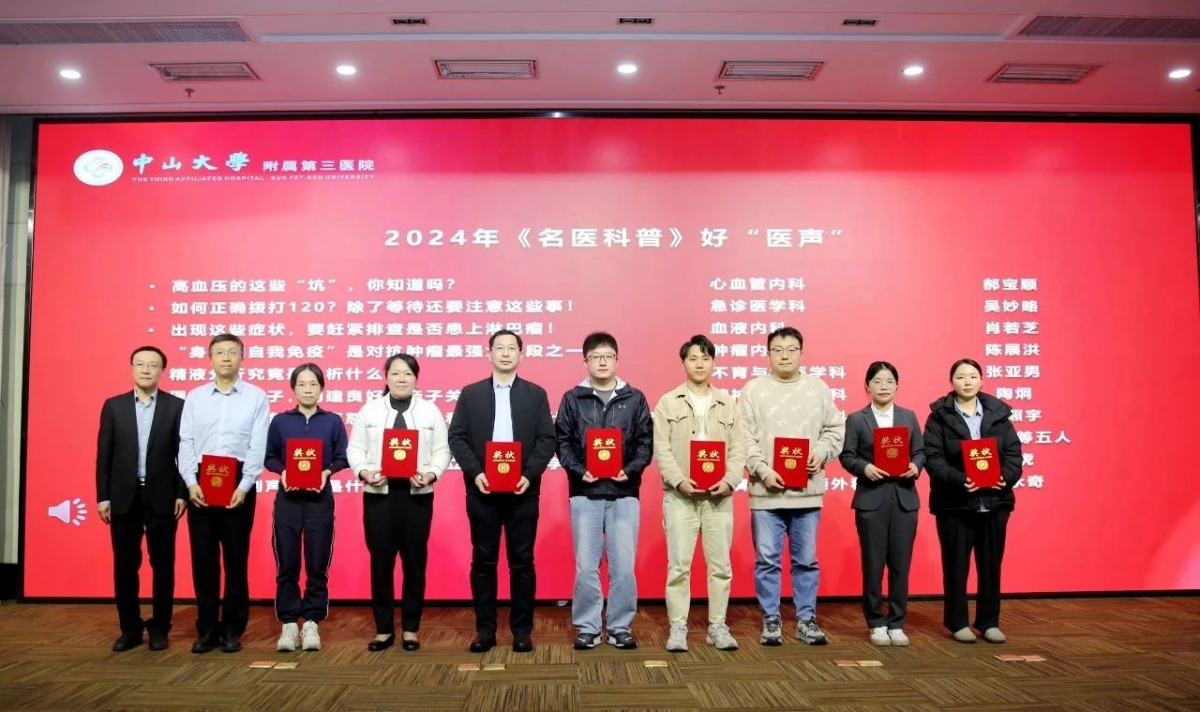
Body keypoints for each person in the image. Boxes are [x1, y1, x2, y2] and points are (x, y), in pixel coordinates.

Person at [448, 330, 556, 654]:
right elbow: (457, 437)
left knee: (522, 563)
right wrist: (477, 472)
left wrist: (528, 475)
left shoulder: (536, 394)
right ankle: (485, 631)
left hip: (523, 491)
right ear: (489, 354)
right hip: (482, 491)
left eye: (512, 348)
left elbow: (547, 439)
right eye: (500, 348)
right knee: (483, 562)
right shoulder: (471, 394)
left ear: (521, 355)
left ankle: (522, 631)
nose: (506, 353)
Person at [739, 326, 845, 646]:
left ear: (801, 352)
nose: (784, 356)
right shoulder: (753, 390)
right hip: (766, 493)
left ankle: (806, 619)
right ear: (768, 354)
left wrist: (821, 452)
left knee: (806, 561)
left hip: (807, 493)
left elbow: (835, 429)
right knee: (767, 561)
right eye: (777, 350)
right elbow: (744, 438)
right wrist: (762, 470)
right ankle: (771, 619)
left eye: (791, 350)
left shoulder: (818, 388)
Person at [555, 331, 653, 650]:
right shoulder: (573, 398)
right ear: (585, 361)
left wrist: (631, 469)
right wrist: (578, 470)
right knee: (586, 565)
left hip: (624, 492)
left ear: (617, 360)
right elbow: (563, 441)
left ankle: (620, 626)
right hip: (585, 492)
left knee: (623, 566)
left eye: (608, 356)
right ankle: (588, 627)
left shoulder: (634, 398)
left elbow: (645, 441)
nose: (602, 362)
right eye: (595, 356)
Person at [347, 354, 450, 652]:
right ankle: (383, 629)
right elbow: (355, 449)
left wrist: (431, 474)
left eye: (407, 374)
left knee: (415, 563)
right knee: (381, 563)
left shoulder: (430, 411)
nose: (401, 378)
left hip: (417, 497)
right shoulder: (370, 410)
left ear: (416, 378)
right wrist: (364, 472)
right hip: (379, 497)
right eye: (395, 373)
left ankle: (410, 629)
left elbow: (442, 451)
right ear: (386, 377)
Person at [178, 333, 270, 654]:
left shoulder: (256, 397)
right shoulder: (195, 397)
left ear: (242, 357)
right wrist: (190, 482)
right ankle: (206, 629)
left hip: (238, 483)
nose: (226, 357)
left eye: (232, 352)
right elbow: (186, 441)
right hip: (201, 482)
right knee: (203, 560)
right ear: (210, 359)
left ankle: (233, 628)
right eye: (220, 353)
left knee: (235, 560)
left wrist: (245, 485)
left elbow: (258, 444)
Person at [652, 335, 743, 653]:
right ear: (683, 363)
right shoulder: (668, 402)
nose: (699, 364)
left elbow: (739, 448)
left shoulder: (729, 403)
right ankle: (678, 627)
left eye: (705, 358)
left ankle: (717, 625)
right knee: (679, 565)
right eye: (693, 358)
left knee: (720, 566)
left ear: (714, 362)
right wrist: (679, 481)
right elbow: (661, 449)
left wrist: (730, 481)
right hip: (680, 498)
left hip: (719, 498)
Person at [924, 358, 1023, 644]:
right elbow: (933, 458)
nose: (967, 382)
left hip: (995, 502)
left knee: (991, 565)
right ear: (951, 381)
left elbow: (1014, 454)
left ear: (981, 380)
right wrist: (959, 479)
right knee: (956, 566)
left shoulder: (999, 414)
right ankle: (957, 623)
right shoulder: (939, 416)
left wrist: (1005, 477)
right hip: (955, 503)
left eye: (972, 376)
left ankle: (989, 622)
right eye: (960, 377)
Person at [96, 346, 186, 651]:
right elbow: (104, 455)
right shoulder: (114, 406)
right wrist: (103, 497)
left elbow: (184, 454)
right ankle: (130, 628)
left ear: (162, 371)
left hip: (163, 495)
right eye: (140, 364)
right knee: (124, 565)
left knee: (163, 565)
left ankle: (160, 627)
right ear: (131, 368)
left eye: (153, 365)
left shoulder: (177, 407)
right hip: (123, 496)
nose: (146, 369)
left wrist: (182, 493)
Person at [263, 363, 348, 653]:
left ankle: (311, 622)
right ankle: (289, 623)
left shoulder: (332, 421)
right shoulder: (281, 421)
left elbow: (342, 456)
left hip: (319, 502)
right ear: (293, 388)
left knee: (317, 564)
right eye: (302, 384)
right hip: (288, 502)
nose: (308, 389)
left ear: (321, 387)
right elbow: (269, 457)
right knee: (286, 564)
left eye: (313, 384)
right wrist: (283, 472)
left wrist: (326, 472)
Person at [838, 361, 925, 646]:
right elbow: (847, 455)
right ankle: (876, 622)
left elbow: (920, 451)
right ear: (867, 386)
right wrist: (864, 467)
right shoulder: (856, 419)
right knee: (873, 564)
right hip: (871, 500)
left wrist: (915, 465)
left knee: (900, 564)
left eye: (889, 381)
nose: (883, 386)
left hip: (904, 498)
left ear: (897, 386)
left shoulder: (908, 416)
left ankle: (897, 622)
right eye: (877, 381)